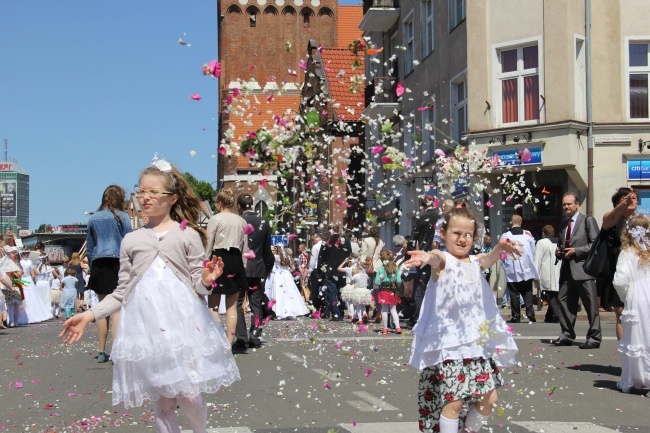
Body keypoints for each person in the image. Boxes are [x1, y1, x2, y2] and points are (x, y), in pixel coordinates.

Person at [59, 160, 240, 433]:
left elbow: (198, 286)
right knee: (163, 403)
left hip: (183, 326)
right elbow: (122, 291)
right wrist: (89, 314)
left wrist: (205, 280)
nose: (145, 197)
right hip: (147, 330)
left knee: (190, 397)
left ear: (172, 198)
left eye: (154, 192)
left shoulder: (188, 235)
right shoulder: (131, 240)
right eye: (141, 191)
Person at [405, 203, 520, 433]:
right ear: (443, 233)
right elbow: (437, 258)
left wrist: (499, 248)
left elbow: (487, 259)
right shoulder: (445, 259)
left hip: (475, 342)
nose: (462, 239)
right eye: (456, 233)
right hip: (450, 343)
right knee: (454, 401)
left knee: (490, 398)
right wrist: (428, 256)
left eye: (468, 234)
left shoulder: (475, 262)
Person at [86, 185, 133, 363]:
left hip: (99, 262)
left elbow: (90, 246)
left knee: (102, 308)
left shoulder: (94, 218)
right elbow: (129, 241)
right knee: (117, 307)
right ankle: (116, 350)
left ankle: (100, 350)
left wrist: (92, 265)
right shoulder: (123, 217)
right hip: (118, 262)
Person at [553, 192, 601, 349]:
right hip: (566, 270)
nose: (566, 207)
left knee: (590, 304)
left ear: (576, 204)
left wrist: (577, 251)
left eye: (569, 204)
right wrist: (558, 252)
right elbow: (561, 244)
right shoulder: (562, 225)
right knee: (564, 301)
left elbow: (596, 244)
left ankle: (594, 337)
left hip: (583, 270)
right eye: (564, 204)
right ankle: (566, 334)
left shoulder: (587, 221)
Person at [205, 188, 249, 346]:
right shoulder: (241, 221)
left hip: (218, 260)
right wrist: (242, 268)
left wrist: (205, 264)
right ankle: (229, 343)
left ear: (220, 203)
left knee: (213, 304)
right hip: (236, 261)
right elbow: (245, 249)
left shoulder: (215, 219)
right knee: (232, 306)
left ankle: (217, 340)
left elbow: (208, 245)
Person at [612, 214, 650, 396]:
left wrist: (626, 295)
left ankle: (632, 379)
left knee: (636, 336)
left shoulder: (626, 254)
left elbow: (619, 280)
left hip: (637, 297)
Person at [234, 193, 275, 349]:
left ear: (239, 206)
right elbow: (266, 250)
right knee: (256, 302)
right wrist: (268, 267)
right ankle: (255, 335)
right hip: (257, 267)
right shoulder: (264, 222)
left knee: (238, 303)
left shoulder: (238, 221)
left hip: (240, 267)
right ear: (252, 204)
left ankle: (241, 337)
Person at [600, 187, 637, 341]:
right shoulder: (612, 219)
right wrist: (623, 205)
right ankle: (625, 354)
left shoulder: (641, 220)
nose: (632, 199)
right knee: (621, 312)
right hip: (618, 272)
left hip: (639, 274)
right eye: (627, 198)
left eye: (634, 197)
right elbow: (611, 218)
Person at [500, 215, 540, 323]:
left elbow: (502, 252)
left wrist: (504, 263)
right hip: (526, 267)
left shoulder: (505, 235)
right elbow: (533, 250)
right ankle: (530, 312)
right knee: (527, 291)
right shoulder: (528, 234)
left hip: (512, 267)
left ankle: (516, 316)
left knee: (514, 292)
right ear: (521, 222)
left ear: (511, 223)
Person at [265, 244, 309, 320]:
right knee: (290, 293)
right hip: (287, 276)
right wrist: (287, 271)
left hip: (278, 275)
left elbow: (271, 267)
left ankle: (279, 312)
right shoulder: (287, 257)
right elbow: (293, 268)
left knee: (279, 294)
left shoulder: (275, 257)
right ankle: (291, 312)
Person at [317, 225, 351, 321]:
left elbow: (321, 257)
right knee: (341, 291)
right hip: (342, 270)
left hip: (329, 271)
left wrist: (319, 271)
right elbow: (350, 253)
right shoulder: (346, 241)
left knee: (332, 293)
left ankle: (336, 313)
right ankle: (341, 310)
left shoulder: (327, 241)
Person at [534, 225, 561, 323]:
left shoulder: (541, 242)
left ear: (543, 233)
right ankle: (549, 317)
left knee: (550, 294)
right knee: (554, 293)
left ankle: (557, 315)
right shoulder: (559, 242)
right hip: (558, 271)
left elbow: (537, 259)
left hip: (547, 272)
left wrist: (535, 274)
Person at [375, 248, 403, 334]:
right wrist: (397, 286)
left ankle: (385, 328)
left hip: (383, 291)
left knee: (384, 310)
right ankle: (398, 327)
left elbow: (376, 282)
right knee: (393, 310)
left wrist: (381, 281)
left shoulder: (380, 269)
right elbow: (398, 281)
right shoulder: (395, 268)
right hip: (392, 290)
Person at [338, 254, 371, 324]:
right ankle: (363, 313)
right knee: (361, 303)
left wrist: (344, 262)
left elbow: (339, 269)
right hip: (362, 288)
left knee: (351, 303)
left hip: (352, 286)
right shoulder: (364, 273)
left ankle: (353, 316)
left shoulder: (349, 269)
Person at [308, 233, 324, 315]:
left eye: (313, 239)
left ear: (317, 238)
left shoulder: (315, 247)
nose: (312, 241)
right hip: (324, 270)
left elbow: (313, 260)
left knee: (315, 290)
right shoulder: (325, 245)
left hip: (316, 270)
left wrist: (310, 271)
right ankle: (323, 309)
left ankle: (313, 308)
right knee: (323, 290)